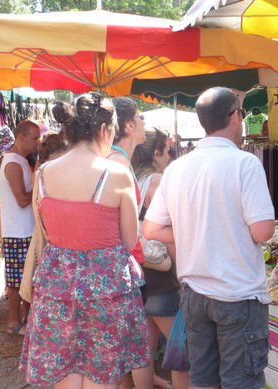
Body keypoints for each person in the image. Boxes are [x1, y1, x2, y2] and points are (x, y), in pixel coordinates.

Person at [143, 87, 275, 389]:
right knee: (240, 381)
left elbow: (150, 229)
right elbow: (262, 231)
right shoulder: (245, 163)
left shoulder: (177, 168)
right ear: (234, 117)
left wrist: (195, 232)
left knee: (202, 380)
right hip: (238, 295)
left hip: (195, 295)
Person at [20, 93, 150, 388]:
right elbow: (130, 240)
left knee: (64, 371)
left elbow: (46, 230)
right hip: (105, 287)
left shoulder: (44, 173)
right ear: (105, 130)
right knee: (101, 373)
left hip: (57, 284)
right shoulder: (116, 174)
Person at [131, 128, 189, 389]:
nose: (170, 156)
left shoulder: (131, 178)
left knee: (144, 348)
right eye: (168, 151)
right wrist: (182, 276)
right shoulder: (157, 182)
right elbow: (171, 232)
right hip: (161, 272)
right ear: (156, 154)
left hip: (139, 269)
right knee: (182, 352)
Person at [109, 97, 153, 389]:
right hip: (122, 264)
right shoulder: (116, 163)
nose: (144, 122)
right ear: (127, 125)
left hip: (123, 262)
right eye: (141, 117)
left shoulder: (118, 160)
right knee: (133, 346)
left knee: (123, 347)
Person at [0, 119, 40, 335]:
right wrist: (40, 191)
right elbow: (22, 200)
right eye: (34, 138)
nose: (37, 142)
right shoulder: (14, 162)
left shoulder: (22, 160)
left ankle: (23, 319)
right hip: (17, 231)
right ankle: (13, 321)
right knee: (16, 281)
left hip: (23, 229)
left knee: (25, 277)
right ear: (21, 136)